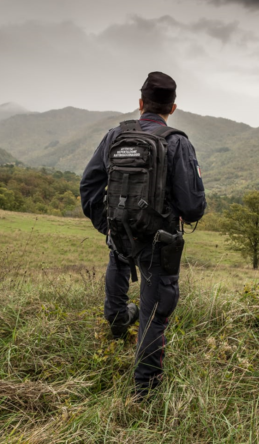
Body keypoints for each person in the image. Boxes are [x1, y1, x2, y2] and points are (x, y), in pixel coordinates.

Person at [80, 71, 206, 398]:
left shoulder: (114, 137)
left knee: (119, 264)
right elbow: (193, 208)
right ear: (173, 107)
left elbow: (89, 186)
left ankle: (119, 321)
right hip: (158, 241)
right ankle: (145, 391)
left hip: (120, 230)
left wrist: (107, 226)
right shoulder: (177, 141)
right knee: (154, 313)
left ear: (140, 104)